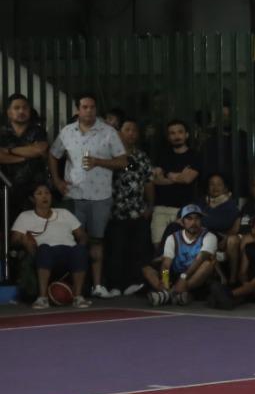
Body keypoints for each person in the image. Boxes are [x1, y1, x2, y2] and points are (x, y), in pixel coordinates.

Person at [48, 93, 127, 297]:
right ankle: (77, 288)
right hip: (74, 194)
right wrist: (57, 181)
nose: (89, 110)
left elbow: (123, 161)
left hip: (100, 195)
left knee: (97, 241)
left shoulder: (108, 132)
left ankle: (98, 286)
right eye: (84, 107)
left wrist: (98, 161)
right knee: (75, 241)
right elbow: (53, 154)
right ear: (77, 109)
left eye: (92, 107)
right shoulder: (67, 131)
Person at [10, 183, 91, 309]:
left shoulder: (64, 213)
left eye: (47, 193)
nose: (44, 196)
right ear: (32, 199)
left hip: (69, 251)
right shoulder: (25, 216)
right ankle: (42, 298)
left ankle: (78, 297)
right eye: (39, 193)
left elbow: (81, 234)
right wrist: (24, 240)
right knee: (44, 249)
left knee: (79, 251)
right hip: (45, 252)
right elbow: (14, 239)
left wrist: (82, 243)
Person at [103, 116, 155, 297]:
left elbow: (148, 182)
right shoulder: (110, 155)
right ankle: (115, 285)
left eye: (134, 130)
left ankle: (134, 282)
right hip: (115, 210)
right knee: (116, 249)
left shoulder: (142, 156)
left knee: (137, 249)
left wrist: (150, 205)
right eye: (127, 129)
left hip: (138, 210)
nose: (131, 133)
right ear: (119, 133)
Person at [143, 204, 217, 306]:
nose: (193, 222)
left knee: (208, 264)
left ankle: (168, 295)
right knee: (147, 269)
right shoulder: (172, 238)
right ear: (182, 222)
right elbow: (166, 265)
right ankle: (172, 293)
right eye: (189, 219)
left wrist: (183, 277)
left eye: (197, 219)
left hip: (195, 277)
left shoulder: (209, 237)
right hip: (176, 275)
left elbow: (199, 260)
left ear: (201, 221)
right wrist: (165, 281)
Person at [148, 119, 201, 244]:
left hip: (184, 210)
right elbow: (156, 180)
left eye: (180, 132)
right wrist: (179, 176)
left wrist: (168, 174)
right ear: (168, 137)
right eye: (172, 133)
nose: (176, 136)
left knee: (182, 246)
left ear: (186, 134)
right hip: (161, 208)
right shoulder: (163, 155)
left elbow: (188, 179)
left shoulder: (194, 156)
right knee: (159, 245)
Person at [0, 93, 51, 220]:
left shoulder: (38, 131)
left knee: (34, 226)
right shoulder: (1, 132)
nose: (21, 111)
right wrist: (25, 156)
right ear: (9, 112)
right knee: (8, 225)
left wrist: (9, 150)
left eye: (25, 108)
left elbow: (39, 150)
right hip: (7, 188)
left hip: (35, 190)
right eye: (16, 108)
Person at [211, 215, 255, 309]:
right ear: (253, 230)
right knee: (246, 291)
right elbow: (242, 272)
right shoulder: (249, 247)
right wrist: (246, 284)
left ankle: (228, 295)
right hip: (250, 287)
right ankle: (226, 300)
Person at [199, 173, 241, 262]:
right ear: (207, 188)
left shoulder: (230, 205)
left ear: (225, 188)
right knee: (175, 228)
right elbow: (185, 211)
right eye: (212, 184)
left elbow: (221, 223)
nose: (215, 187)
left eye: (219, 184)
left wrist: (200, 218)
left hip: (217, 238)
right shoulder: (202, 201)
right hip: (199, 235)